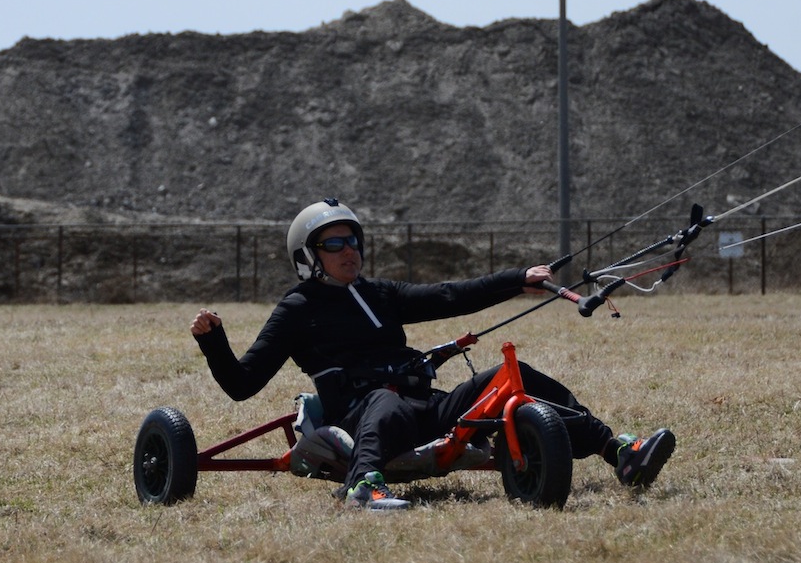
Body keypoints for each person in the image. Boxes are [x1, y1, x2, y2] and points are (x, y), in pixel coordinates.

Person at [191, 198, 675, 510]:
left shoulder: (380, 293)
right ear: (307, 255)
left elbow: (449, 295)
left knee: (515, 377)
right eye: (334, 243)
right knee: (383, 398)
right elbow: (242, 383)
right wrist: (214, 341)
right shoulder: (297, 309)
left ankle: (620, 453)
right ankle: (363, 486)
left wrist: (514, 280)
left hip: (427, 407)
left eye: (353, 239)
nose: (349, 249)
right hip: (359, 416)